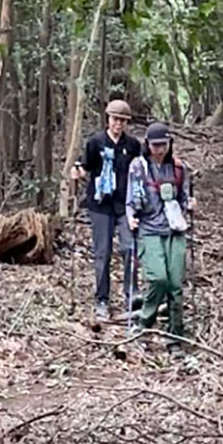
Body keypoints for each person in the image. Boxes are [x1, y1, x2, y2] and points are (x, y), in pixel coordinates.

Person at [73, 97, 139, 324]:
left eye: (122, 120)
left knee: (129, 248)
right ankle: (102, 299)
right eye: (115, 119)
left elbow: (138, 170)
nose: (118, 124)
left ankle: (132, 295)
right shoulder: (95, 142)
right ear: (107, 119)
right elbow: (86, 166)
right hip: (100, 205)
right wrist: (78, 172)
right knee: (103, 252)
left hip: (124, 205)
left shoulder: (132, 145)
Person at [126, 122, 191, 353]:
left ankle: (175, 336)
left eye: (164, 145)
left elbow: (185, 197)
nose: (160, 149)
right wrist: (131, 216)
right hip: (149, 230)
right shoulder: (138, 167)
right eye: (155, 145)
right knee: (158, 279)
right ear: (148, 145)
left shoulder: (179, 168)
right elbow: (131, 199)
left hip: (175, 230)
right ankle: (144, 322)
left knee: (175, 285)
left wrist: (190, 204)